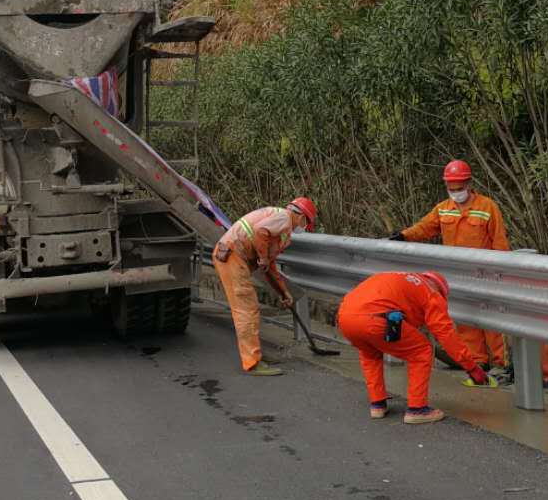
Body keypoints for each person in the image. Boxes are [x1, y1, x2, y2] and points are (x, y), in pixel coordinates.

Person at [389, 159, 510, 374]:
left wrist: (502, 273)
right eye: (451, 188)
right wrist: (403, 236)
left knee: (492, 321)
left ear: (469, 183)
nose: (455, 192)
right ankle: (478, 362)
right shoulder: (443, 210)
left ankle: (501, 364)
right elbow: (425, 227)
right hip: (458, 276)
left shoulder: (487, 207)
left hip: (485, 274)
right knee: (466, 320)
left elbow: (499, 241)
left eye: (459, 187)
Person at [336, 270, 493, 424]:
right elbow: (446, 335)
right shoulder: (431, 292)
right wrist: (472, 368)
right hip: (375, 319)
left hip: (345, 317)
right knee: (422, 351)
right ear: (441, 291)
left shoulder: (404, 279)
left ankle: (377, 404)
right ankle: (417, 409)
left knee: (370, 353)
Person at [213, 197, 316, 376]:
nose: (304, 228)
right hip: (232, 256)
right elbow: (260, 232)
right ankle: (252, 362)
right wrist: (264, 258)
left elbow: (269, 265)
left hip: (234, 256)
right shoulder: (284, 217)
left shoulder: (281, 228)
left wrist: (283, 292)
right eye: (306, 223)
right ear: (302, 218)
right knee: (246, 309)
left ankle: (255, 354)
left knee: (249, 309)